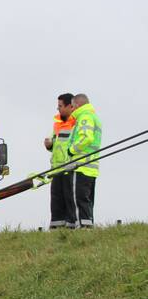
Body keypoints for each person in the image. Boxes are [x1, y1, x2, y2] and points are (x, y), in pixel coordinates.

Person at [67, 93, 102, 228]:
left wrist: (72, 150)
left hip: (81, 165)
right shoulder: (94, 117)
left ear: (77, 105)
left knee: (78, 199)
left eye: (72, 106)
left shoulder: (84, 117)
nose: (71, 110)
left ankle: (82, 227)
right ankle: (87, 226)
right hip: (91, 167)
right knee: (87, 200)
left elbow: (86, 138)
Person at [45, 93, 76, 228]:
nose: (58, 109)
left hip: (70, 168)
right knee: (56, 200)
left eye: (60, 106)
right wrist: (49, 145)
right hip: (56, 169)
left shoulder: (76, 123)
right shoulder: (57, 123)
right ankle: (57, 227)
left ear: (70, 106)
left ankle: (71, 226)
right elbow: (56, 145)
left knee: (70, 199)